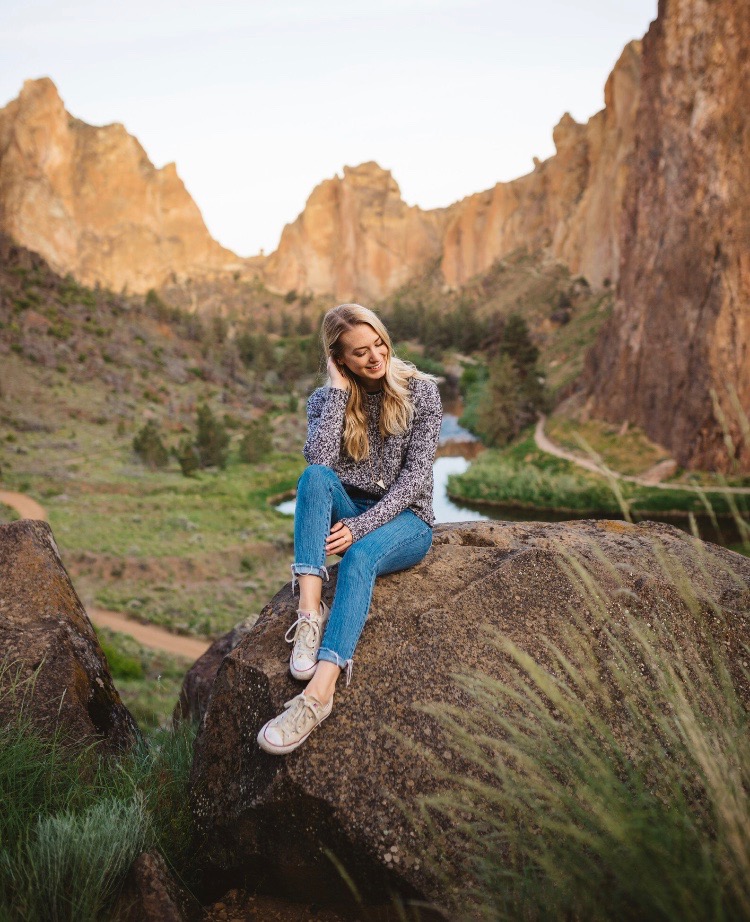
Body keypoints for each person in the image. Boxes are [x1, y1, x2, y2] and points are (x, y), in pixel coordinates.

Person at [257, 303, 443, 755]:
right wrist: (339, 392)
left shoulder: (422, 392)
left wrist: (361, 527)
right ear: (339, 359)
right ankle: (309, 614)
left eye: (379, 343)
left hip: (407, 522)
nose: (375, 357)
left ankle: (318, 695)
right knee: (313, 479)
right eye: (359, 353)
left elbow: (415, 480)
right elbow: (318, 462)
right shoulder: (324, 400)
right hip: (350, 510)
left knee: (360, 557)